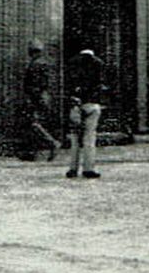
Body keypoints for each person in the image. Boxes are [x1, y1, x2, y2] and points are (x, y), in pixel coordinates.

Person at [66, 47, 108, 179]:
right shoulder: (98, 63)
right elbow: (101, 85)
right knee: (89, 138)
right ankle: (88, 168)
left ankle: (72, 169)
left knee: (75, 139)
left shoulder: (72, 63)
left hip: (76, 105)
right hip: (92, 104)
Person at [17, 41, 61, 162]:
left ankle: (52, 143)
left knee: (33, 123)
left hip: (36, 96)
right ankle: (33, 151)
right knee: (34, 123)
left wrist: (32, 97)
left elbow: (36, 83)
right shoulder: (42, 63)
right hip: (40, 95)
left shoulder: (36, 64)